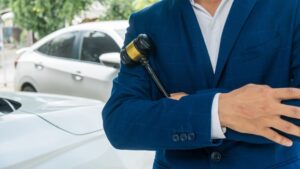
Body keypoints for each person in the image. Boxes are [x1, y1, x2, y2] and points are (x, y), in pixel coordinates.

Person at [102, 0, 300, 168]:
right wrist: (217, 110)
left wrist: (190, 106)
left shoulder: (292, 8)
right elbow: (120, 122)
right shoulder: (146, 21)